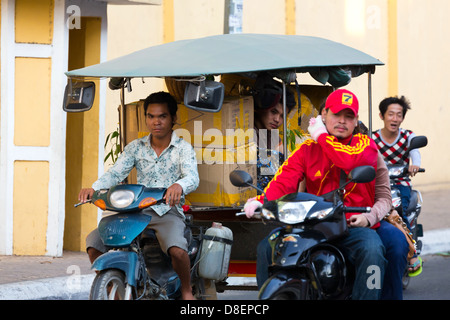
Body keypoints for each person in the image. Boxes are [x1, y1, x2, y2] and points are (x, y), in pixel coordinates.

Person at [245, 89, 387, 300]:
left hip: (352, 225)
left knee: (372, 249)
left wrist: (321, 135)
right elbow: (284, 180)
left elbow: (348, 161)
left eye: (349, 116)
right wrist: (261, 201)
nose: (342, 121)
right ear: (323, 115)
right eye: (336, 114)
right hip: (313, 226)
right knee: (267, 246)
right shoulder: (306, 149)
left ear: (356, 121)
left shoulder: (366, 145)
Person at [78, 91, 200, 300]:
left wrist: (178, 185)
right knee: (94, 242)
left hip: (166, 211)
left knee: (177, 250)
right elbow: (116, 172)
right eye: (151, 116)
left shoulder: (183, 149)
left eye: (162, 116)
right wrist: (94, 188)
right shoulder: (136, 147)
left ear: (173, 119)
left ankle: (187, 290)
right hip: (135, 210)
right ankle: (114, 288)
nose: (156, 122)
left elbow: (192, 176)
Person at [372, 95, 422, 276]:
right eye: (390, 114)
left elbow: (415, 153)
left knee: (398, 211)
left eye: (398, 115)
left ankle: (412, 253)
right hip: (378, 184)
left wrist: (414, 164)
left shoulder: (408, 136)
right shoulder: (372, 138)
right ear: (381, 115)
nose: (394, 119)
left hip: (401, 182)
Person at [252, 77, 296, 191]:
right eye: (273, 112)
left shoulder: (271, 135)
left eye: (282, 116)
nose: (277, 119)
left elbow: (290, 163)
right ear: (260, 108)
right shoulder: (247, 132)